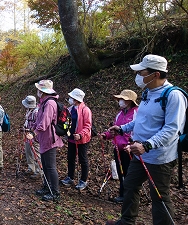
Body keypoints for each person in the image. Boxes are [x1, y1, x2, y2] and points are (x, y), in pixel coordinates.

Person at [106, 54, 187, 225]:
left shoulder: (173, 96)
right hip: (140, 153)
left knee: (159, 195)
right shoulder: (148, 92)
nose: (139, 77)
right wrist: (122, 128)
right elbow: (141, 119)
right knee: (130, 185)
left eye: (142, 73)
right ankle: (127, 221)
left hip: (160, 157)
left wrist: (148, 145)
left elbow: (172, 129)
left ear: (156, 74)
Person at [100, 90, 138, 204]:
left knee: (129, 173)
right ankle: (122, 194)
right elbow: (114, 130)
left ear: (129, 101)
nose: (120, 101)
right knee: (121, 172)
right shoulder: (120, 113)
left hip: (129, 149)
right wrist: (105, 135)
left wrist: (131, 145)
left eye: (123, 99)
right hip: (118, 148)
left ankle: (129, 196)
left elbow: (137, 131)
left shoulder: (137, 113)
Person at [32, 80, 63, 202]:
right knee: (44, 164)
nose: (38, 92)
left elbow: (45, 122)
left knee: (50, 166)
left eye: (39, 89)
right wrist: (33, 129)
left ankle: (55, 192)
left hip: (50, 138)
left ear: (43, 91)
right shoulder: (43, 103)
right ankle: (46, 186)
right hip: (44, 138)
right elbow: (39, 120)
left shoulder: (50, 103)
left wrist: (35, 132)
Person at [61, 88, 92, 191]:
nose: (70, 99)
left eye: (72, 97)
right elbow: (67, 123)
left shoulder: (85, 110)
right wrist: (66, 132)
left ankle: (83, 180)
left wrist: (80, 134)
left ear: (76, 99)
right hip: (71, 138)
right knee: (70, 158)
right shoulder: (70, 109)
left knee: (83, 159)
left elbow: (88, 126)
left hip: (82, 139)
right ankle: (70, 177)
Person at [21, 95, 42, 179]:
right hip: (27, 134)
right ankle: (31, 168)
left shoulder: (36, 112)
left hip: (34, 136)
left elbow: (37, 124)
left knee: (36, 153)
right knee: (28, 151)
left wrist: (31, 131)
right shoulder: (29, 110)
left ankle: (39, 171)